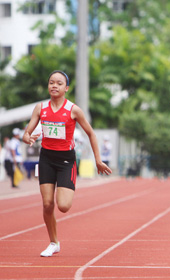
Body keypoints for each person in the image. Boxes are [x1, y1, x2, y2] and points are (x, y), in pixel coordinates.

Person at [22, 70, 112, 257]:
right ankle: (54, 242)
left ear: (66, 88)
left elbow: (91, 134)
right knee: (47, 204)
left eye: (59, 83)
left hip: (65, 161)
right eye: (51, 82)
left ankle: (67, 186)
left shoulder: (73, 110)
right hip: (46, 158)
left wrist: (98, 160)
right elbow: (26, 133)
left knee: (63, 206)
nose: (54, 86)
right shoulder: (40, 108)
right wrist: (27, 138)